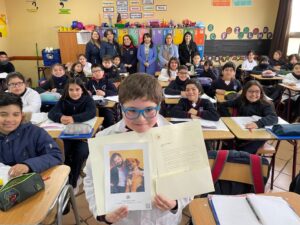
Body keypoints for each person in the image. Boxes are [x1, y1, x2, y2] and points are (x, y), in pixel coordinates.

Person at [84, 73, 191, 225]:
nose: (141, 119)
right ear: (121, 108)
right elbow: (90, 179)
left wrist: (176, 203)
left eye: (149, 110)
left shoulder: (175, 136)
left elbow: (190, 178)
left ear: (159, 107)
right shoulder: (104, 138)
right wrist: (102, 214)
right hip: (124, 221)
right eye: (132, 111)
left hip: (163, 219)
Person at [48, 78, 96, 193]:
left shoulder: (87, 100)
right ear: (67, 91)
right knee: (62, 152)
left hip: (82, 138)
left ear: (82, 90)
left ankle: (73, 182)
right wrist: (60, 117)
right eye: (71, 90)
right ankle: (64, 179)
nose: (74, 92)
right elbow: (52, 113)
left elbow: (91, 112)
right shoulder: (63, 100)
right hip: (66, 137)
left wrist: (74, 118)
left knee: (80, 153)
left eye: (77, 89)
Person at [0, 92, 63, 177]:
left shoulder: (36, 133)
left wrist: (28, 165)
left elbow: (55, 155)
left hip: (32, 182)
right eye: (3, 115)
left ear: (22, 115)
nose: (10, 119)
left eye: (16, 114)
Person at [218, 80, 278, 154]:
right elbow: (222, 105)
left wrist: (258, 123)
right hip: (241, 130)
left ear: (261, 93)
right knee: (228, 140)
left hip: (257, 134)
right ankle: (227, 158)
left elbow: (273, 117)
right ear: (245, 92)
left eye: (257, 92)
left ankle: (240, 159)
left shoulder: (266, 104)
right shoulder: (241, 100)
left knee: (244, 150)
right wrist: (228, 118)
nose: (253, 94)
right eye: (250, 91)